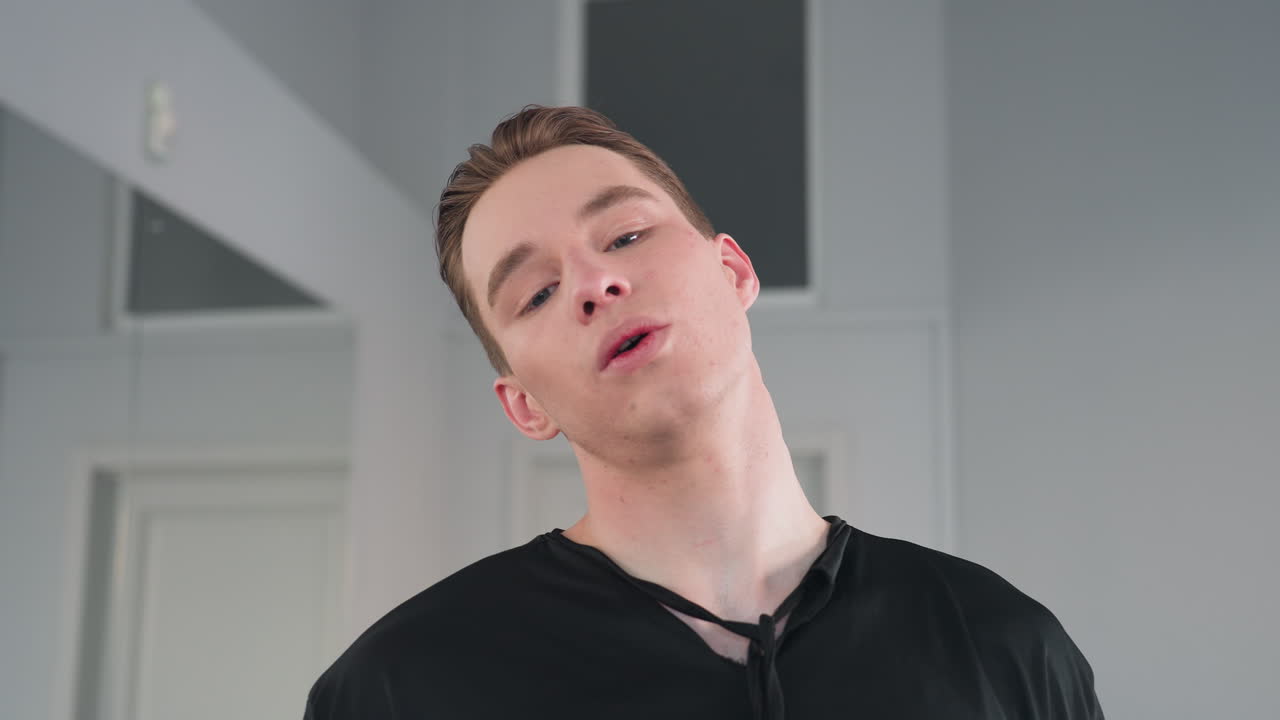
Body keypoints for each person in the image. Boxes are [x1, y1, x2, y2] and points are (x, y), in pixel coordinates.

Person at [303, 105, 1104, 719]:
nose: (594, 284)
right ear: (524, 406)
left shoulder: (1004, 643)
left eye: (625, 236)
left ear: (735, 271)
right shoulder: (398, 688)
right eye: (538, 292)